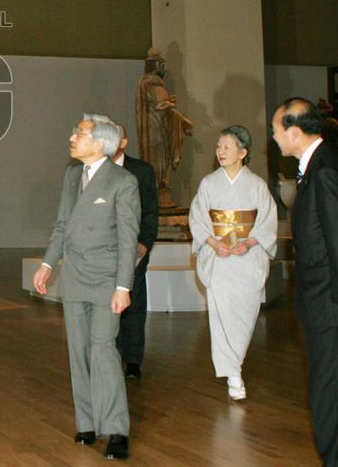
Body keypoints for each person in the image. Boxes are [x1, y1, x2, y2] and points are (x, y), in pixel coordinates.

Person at [33, 115, 141, 460]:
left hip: (107, 280)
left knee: (103, 351)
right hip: (75, 278)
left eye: (79, 132)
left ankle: (116, 429)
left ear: (99, 144)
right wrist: (48, 264)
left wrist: (123, 286)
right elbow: (63, 224)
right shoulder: (71, 176)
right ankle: (87, 422)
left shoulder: (123, 182)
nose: (72, 136)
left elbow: (128, 240)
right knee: (78, 351)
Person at [187, 126, 277, 401]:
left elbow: (267, 223)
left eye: (227, 146)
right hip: (220, 260)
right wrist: (214, 243)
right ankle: (233, 373)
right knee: (221, 317)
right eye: (218, 146)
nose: (220, 151)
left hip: (247, 261)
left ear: (243, 152)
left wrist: (249, 243)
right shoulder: (209, 184)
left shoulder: (257, 186)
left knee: (244, 317)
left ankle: (236, 363)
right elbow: (198, 219)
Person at [272, 98, 338, 464]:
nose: (274, 136)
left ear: (294, 131)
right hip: (322, 302)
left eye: (276, 129)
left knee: (326, 391)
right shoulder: (316, 166)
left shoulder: (324, 170)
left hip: (329, 305)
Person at [107, 121, 159, 379]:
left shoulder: (141, 171)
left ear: (124, 142)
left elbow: (151, 211)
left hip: (134, 250)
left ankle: (134, 360)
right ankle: (111, 357)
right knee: (106, 305)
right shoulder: (94, 170)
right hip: (103, 251)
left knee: (134, 303)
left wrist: (145, 242)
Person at [136, 48, 193, 208]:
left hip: (153, 127)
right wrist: (184, 120)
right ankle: (161, 190)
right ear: (157, 66)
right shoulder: (152, 82)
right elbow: (163, 104)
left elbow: (161, 101)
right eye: (161, 65)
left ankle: (160, 190)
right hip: (156, 129)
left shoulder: (144, 82)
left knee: (156, 158)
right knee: (159, 158)